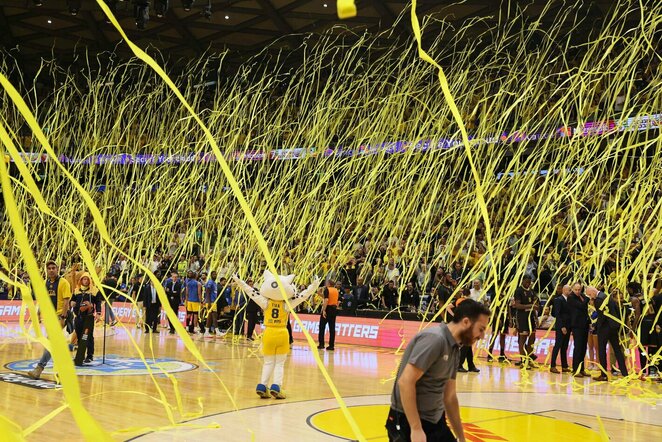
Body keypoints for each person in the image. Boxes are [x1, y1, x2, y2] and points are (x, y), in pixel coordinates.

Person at [386, 299, 490, 442]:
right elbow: (405, 382)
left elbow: (450, 396)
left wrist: (461, 436)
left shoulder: (455, 348)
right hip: (407, 421)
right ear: (466, 322)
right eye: (481, 329)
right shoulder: (435, 339)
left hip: (435, 421)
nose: (482, 336)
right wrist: (416, 428)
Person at [233, 271, 319, 399]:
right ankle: (276, 387)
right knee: (279, 363)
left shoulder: (265, 302)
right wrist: (314, 285)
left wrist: (238, 280)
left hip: (268, 333)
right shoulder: (287, 304)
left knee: (268, 362)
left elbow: (250, 291)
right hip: (282, 333)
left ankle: (262, 385)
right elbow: (303, 296)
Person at [28, 261, 72, 379]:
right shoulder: (45, 283)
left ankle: (39, 368)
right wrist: (38, 313)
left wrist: (62, 317)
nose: (51, 270)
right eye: (49, 268)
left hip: (59, 317)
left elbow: (66, 301)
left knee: (50, 342)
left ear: (57, 269)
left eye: (53, 268)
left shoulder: (63, 283)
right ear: (46, 270)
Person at [586, 287, 629, 380]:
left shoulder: (598, 300)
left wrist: (596, 326)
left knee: (601, 351)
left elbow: (601, 316)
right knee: (617, 350)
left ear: (593, 292)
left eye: (590, 295)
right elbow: (616, 310)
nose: (590, 297)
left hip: (604, 328)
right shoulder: (606, 296)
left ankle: (604, 375)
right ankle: (625, 374)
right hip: (613, 327)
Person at [71, 272, 102, 365]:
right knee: (80, 336)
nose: (86, 281)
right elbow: (72, 300)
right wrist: (72, 302)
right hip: (78, 317)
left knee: (88, 336)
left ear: (90, 280)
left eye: (87, 279)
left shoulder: (94, 291)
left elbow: (98, 302)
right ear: (81, 280)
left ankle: (89, 355)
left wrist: (98, 313)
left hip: (88, 318)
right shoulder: (76, 290)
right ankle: (81, 355)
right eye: (84, 279)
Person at [513, 275, 539, 367]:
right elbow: (518, 305)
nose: (528, 284)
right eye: (526, 282)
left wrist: (536, 318)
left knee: (532, 337)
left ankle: (529, 359)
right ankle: (523, 361)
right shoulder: (518, 291)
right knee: (522, 339)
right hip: (522, 317)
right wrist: (530, 306)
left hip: (531, 316)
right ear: (522, 281)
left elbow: (534, 306)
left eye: (529, 282)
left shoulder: (531, 292)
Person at [567, 282, 590, 377]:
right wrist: (587, 298)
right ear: (572, 289)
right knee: (578, 347)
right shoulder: (571, 297)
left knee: (583, 348)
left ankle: (582, 368)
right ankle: (575, 369)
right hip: (576, 325)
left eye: (579, 289)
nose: (577, 291)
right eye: (576, 290)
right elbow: (581, 305)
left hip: (584, 324)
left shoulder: (583, 296)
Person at [549, 285, 572, 373]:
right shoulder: (558, 300)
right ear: (564, 290)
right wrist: (562, 326)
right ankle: (553, 365)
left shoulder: (569, 300)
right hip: (561, 326)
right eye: (569, 290)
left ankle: (564, 366)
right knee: (558, 345)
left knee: (565, 346)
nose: (570, 292)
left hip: (568, 326)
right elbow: (557, 314)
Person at [318, 279, 339, 351]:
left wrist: (324, 310)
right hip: (334, 309)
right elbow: (328, 297)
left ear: (329, 284)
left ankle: (321, 344)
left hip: (328, 309)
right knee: (332, 328)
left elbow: (326, 300)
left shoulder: (327, 289)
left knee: (322, 327)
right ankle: (331, 345)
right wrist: (319, 293)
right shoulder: (336, 290)